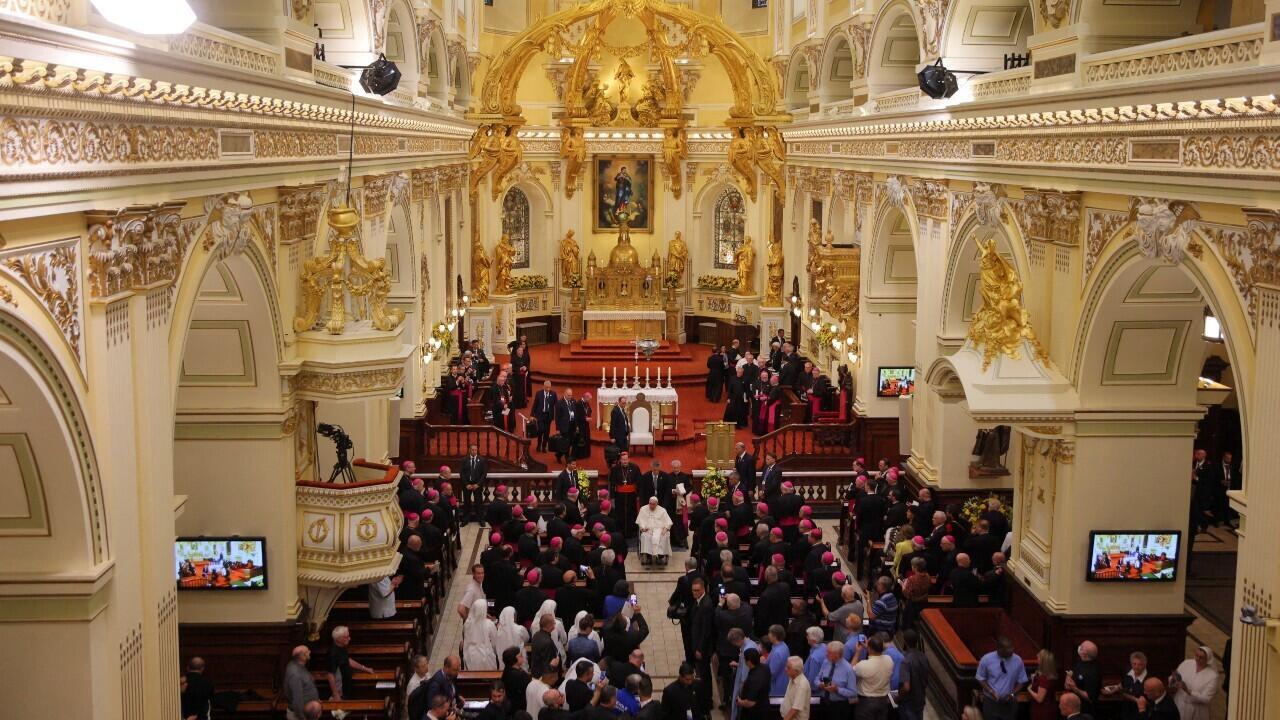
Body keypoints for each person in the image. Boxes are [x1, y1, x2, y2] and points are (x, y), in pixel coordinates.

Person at [975, 636, 1027, 720]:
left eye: (1012, 647)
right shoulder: (986, 659)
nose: (1012, 650)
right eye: (1008, 649)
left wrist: (1012, 694)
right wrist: (991, 691)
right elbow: (980, 678)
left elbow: (1022, 680)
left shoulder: (1018, 660)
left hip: (1010, 703)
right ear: (999, 649)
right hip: (991, 702)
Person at [327, 626, 375, 702]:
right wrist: (336, 694)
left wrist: (365, 668)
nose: (349, 638)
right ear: (339, 639)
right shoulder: (332, 654)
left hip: (346, 685)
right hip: (340, 691)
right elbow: (330, 675)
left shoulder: (341, 646)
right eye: (346, 637)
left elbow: (348, 660)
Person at [851, 635, 893, 720]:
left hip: (867, 703)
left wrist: (857, 652)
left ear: (869, 648)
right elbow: (879, 653)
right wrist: (869, 647)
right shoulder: (889, 660)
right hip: (883, 701)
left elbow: (851, 669)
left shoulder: (864, 665)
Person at [1171, 646, 1219, 720]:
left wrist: (1188, 690)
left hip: (1197, 710)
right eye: (1196, 655)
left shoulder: (1212, 676)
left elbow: (1206, 699)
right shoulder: (1187, 663)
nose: (1197, 659)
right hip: (1179, 704)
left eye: (1201, 658)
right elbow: (1175, 676)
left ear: (1208, 660)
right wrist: (1173, 680)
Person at [1104, 651, 1149, 720]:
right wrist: (1112, 691)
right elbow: (1123, 683)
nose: (1136, 667)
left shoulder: (1148, 679)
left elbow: (1144, 701)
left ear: (1145, 664)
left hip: (1139, 711)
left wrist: (1124, 694)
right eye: (1134, 664)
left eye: (1140, 664)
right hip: (1126, 707)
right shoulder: (1128, 671)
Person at [897, 630, 929, 720]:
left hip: (909, 703)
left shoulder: (906, 661)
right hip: (920, 699)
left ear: (905, 641)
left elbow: (906, 687)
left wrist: (898, 697)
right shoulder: (924, 657)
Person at [1064, 640, 1102, 715]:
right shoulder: (1079, 663)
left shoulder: (1093, 672)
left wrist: (1075, 689)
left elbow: (1091, 697)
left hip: (1085, 712)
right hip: (1073, 709)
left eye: (1082, 646)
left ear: (1085, 653)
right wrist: (1068, 678)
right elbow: (1067, 686)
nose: (1079, 647)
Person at [282, 646, 320, 720]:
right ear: (302, 656)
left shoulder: (298, 665)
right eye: (307, 651)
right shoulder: (295, 673)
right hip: (300, 716)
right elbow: (297, 700)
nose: (310, 652)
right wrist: (302, 717)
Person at [463, 598, 499, 670]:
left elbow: (466, 639)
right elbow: (495, 643)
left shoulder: (467, 623)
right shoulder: (489, 624)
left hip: (471, 655)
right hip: (486, 656)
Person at [736, 648, 772, 720]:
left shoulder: (754, 679)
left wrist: (740, 702)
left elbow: (750, 703)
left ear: (749, 662)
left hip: (753, 713)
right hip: (764, 707)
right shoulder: (765, 668)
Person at [637, 496, 673, 565]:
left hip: (660, 530)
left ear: (657, 504)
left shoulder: (662, 510)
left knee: (664, 537)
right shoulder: (643, 509)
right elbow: (640, 521)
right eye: (650, 504)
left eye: (653, 504)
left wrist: (665, 529)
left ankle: (660, 557)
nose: (651, 506)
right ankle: (648, 557)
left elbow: (668, 522)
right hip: (648, 530)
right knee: (645, 536)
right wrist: (643, 528)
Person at [1026, 649, 1059, 720]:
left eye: (1038, 658)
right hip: (1049, 708)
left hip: (1042, 711)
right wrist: (1033, 680)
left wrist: (1029, 689)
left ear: (1043, 662)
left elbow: (1039, 699)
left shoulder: (1044, 678)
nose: (1037, 660)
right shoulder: (1051, 675)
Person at [460, 444, 488, 524]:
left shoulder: (481, 460)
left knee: (479, 503)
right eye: (472, 450)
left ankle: (481, 520)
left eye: (475, 450)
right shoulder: (464, 460)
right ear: (469, 450)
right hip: (467, 485)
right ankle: (465, 520)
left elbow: (484, 473)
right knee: (466, 503)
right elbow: (461, 473)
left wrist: (478, 484)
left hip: (477, 485)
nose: (474, 451)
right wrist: (466, 484)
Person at [779, 655, 812, 720]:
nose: (785, 669)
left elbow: (795, 709)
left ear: (796, 671)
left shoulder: (802, 685)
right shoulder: (792, 677)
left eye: (788, 668)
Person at [502, 648, 532, 713]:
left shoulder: (507, 669)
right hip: (519, 706)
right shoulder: (518, 675)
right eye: (520, 656)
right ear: (513, 659)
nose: (522, 657)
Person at [533, 381, 557, 452]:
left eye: (549, 387)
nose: (548, 389)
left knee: (547, 432)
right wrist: (532, 415)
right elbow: (535, 405)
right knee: (540, 430)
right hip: (540, 415)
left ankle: (544, 446)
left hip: (548, 416)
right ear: (543, 386)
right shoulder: (539, 393)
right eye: (546, 387)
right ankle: (539, 445)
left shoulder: (553, 394)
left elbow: (557, 405)